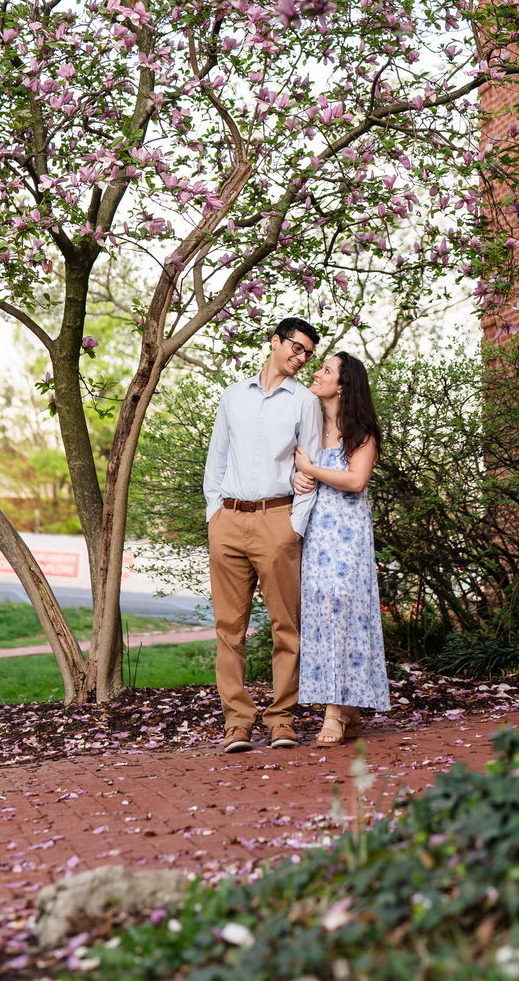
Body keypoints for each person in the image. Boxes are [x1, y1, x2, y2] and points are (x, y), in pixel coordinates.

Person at [203, 316, 322, 754]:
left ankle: (282, 719)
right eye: (296, 347)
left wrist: (295, 527)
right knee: (228, 630)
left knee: (285, 627)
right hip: (229, 522)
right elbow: (216, 459)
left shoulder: (305, 402)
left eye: (308, 353)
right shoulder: (233, 396)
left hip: (278, 522)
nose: (301, 357)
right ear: (275, 342)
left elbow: (308, 467)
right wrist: (214, 514)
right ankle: (237, 721)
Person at [294, 350, 390, 746]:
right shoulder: (310, 427)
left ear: (343, 385)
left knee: (343, 615)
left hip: (347, 538)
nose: (317, 372)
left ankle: (334, 713)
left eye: (326, 370)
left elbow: (355, 480)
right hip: (316, 535)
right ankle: (347, 710)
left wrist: (311, 471)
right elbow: (296, 470)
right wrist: (298, 481)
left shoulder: (362, 432)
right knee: (320, 616)